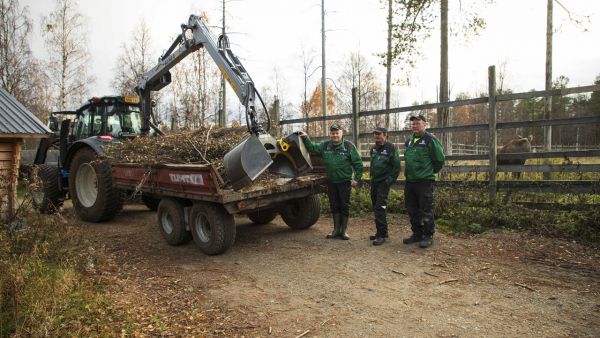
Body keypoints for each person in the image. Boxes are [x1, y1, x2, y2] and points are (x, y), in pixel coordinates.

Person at [297, 124, 363, 240]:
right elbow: (312, 148)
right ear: (330, 134)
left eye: (337, 133)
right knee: (334, 205)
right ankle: (336, 229)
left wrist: (356, 179)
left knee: (344, 205)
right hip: (331, 182)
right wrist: (306, 138)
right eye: (333, 133)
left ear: (341, 133)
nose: (335, 135)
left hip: (344, 182)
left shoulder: (348, 146)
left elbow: (358, 165)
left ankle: (344, 231)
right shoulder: (325, 146)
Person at [403, 115, 445, 248]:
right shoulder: (409, 141)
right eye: (413, 124)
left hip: (424, 181)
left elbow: (439, 160)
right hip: (410, 181)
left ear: (425, 125)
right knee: (412, 209)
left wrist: (428, 172)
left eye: (417, 123)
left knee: (426, 209)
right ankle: (417, 233)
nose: (414, 126)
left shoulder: (430, 140)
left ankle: (428, 235)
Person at [369, 127, 401, 246]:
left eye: (379, 134)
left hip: (383, 183)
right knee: (375, 206)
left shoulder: (391, 148)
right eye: (375, 134)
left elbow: (396, 167)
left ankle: (381, 235)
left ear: (385, 135)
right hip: (374, 183)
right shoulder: (373, 149)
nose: (376, 136)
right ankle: (382, 231)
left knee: (380, 207)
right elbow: (372, 166)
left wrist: (388, 181)